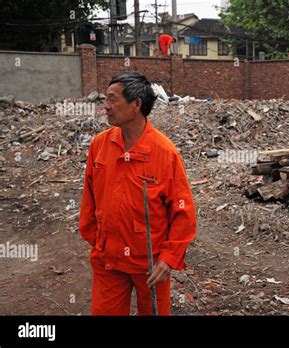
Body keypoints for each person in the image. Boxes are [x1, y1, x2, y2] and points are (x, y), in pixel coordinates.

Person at [79, 71, 197, 315]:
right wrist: (95, 237)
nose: (106, 107)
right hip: (108, 259)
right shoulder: (100, 146)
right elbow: (88, 197)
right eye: (106, 100)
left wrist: (168, 258)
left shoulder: (164, 153)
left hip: (150, 265)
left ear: (136, 104)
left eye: (113, 100)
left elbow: (183, 211)